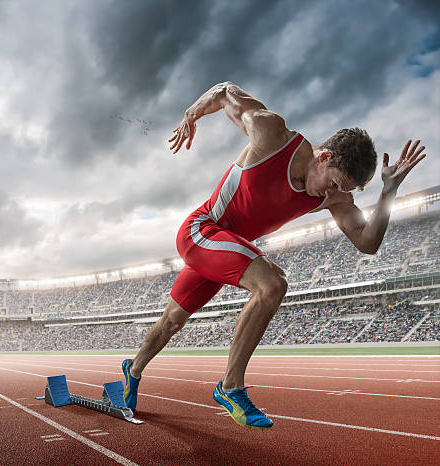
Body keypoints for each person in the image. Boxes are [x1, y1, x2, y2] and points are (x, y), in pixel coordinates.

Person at [121, 81, 426, 429]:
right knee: (273, 283)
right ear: (324, 156)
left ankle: (132, 369)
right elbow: (224, 92)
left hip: (227, 248)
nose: (335, 194)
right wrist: (191, 115)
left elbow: (366, 242)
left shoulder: (335, 198)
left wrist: (389, 193)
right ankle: (230, 387)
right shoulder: (272, 135)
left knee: (173, 321)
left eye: (345, 190)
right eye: (336, 183)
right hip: (202, 231)